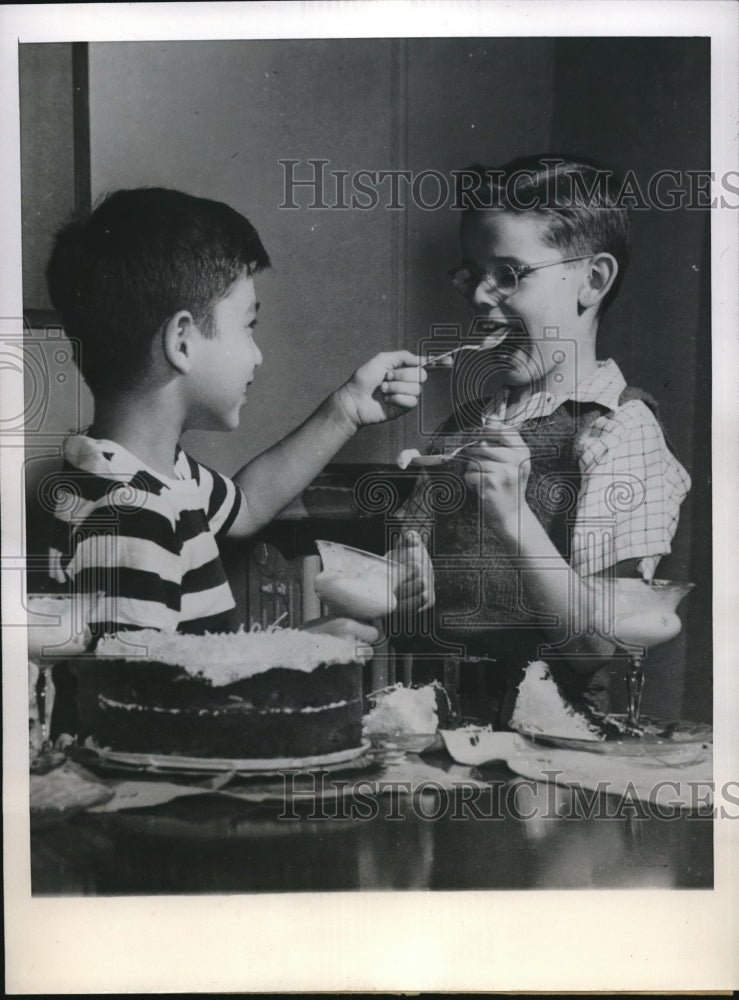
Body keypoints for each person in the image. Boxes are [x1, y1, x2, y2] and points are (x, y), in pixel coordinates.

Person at [43, 186, 431, 642]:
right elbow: (151, 701)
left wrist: (346, 410)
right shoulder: (134, 515)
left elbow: (245, 506)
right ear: (182, 341)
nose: (258, 355)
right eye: (249, 326)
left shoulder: (154, 476)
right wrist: (301, 650)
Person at [399, 155, 691, 720]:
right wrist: (405, 568)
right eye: (473, 273)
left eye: (509, 274)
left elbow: (593, 648)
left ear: (593, 280)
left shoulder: (620, 430)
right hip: (444, 730)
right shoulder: (462, 428)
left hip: (558, 748)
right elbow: (413, 563)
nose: (481, 297)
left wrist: (513, 520)